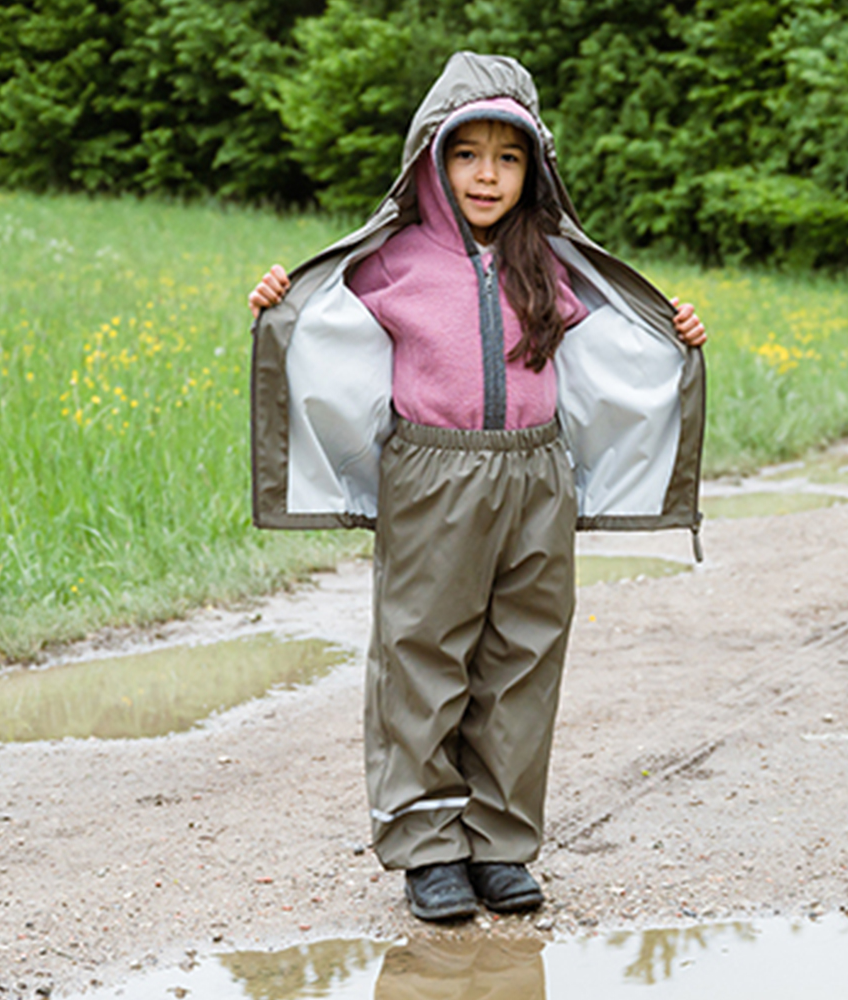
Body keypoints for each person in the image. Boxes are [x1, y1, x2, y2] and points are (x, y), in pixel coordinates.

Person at [247, 52, 707, 923]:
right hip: (433, 474)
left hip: (537, 474)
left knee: (523, 658)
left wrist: (674, 328)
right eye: (467, 155)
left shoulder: (552, 262)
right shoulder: (395, 263)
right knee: (423, 655)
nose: (486, 175)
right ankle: (427, 848)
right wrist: (279, 295)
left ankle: (499, 841)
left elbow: (615, 339)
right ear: (432, 160)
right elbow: (323, 316)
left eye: (507, 156)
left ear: (533, 169)